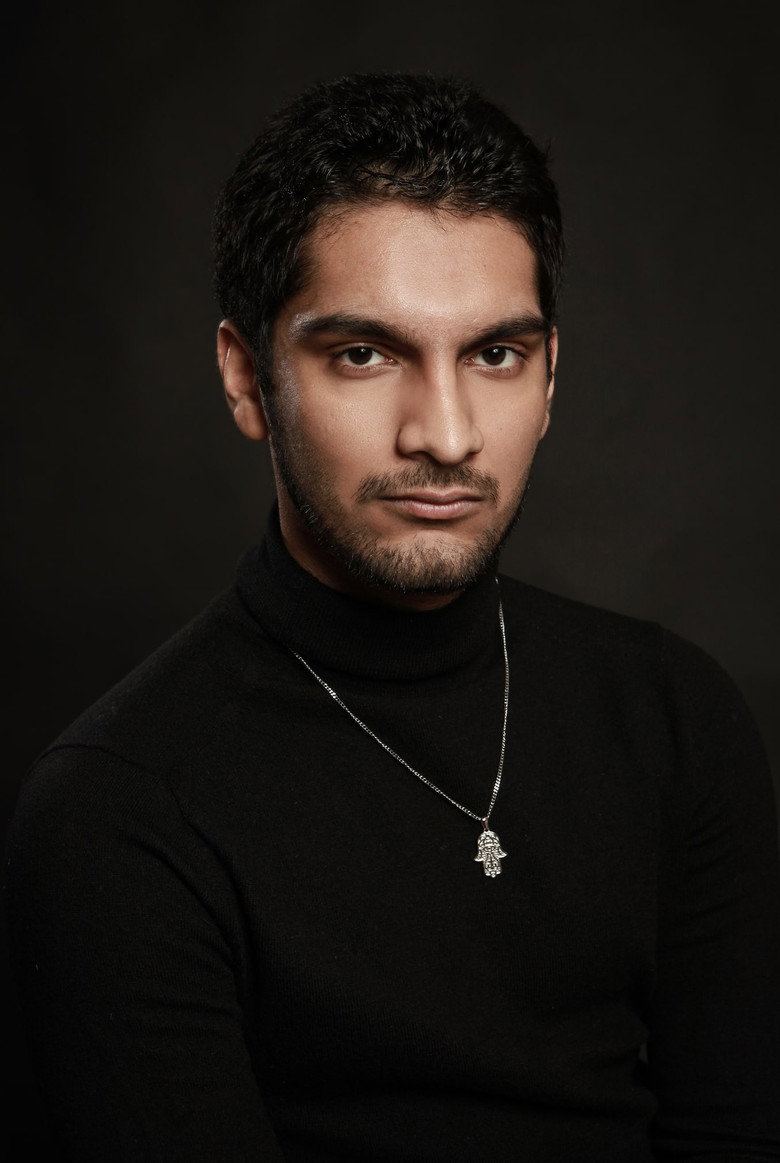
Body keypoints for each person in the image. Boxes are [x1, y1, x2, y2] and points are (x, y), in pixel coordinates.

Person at [6, 73, 780, 1161]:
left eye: (496, 354)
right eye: (364, 354)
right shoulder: (117, 811)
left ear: (551, 376)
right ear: (247, 379)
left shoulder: (674, 716)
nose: (447, 435)